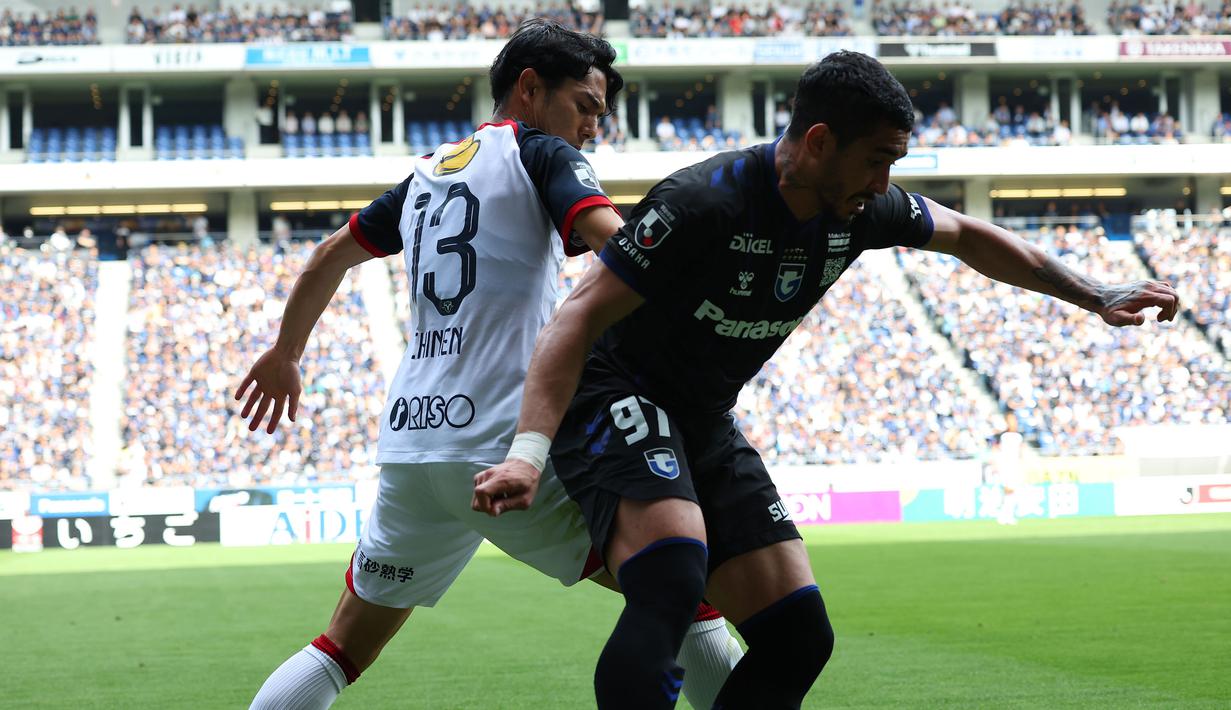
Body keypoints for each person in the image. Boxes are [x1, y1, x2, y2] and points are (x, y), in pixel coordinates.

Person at [472, 50, 1181, 708]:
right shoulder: (702, 202)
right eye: (875, 161)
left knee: (798, 635)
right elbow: (575, 318)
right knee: (671, 575)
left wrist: (1094, 294)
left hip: (703, 416)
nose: (884, 184)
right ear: (816, 143)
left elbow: (967, 235)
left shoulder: (864, 209)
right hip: (616, 393)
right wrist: (527, 452)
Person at [243, 20, 740, 710]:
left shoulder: (425, 176)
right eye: (586, 107)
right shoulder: (541, 153)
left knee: (340, 648)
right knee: (682, 591)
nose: (594, 127)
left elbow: (332, 253)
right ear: (530, 89)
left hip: (414, 449)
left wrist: (286, 352)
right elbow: (616, 245)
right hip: (506, 448)